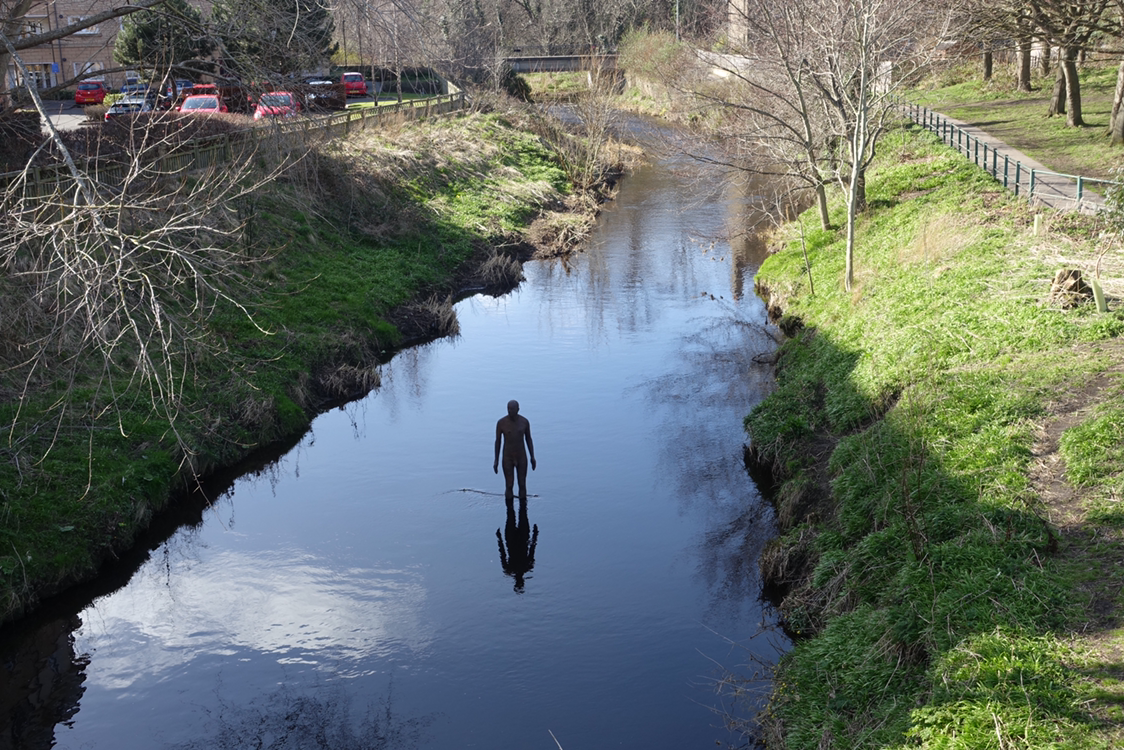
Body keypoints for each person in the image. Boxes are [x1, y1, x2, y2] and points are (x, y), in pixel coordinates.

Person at [493, 400, 536, 498]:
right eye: (508, 409)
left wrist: (532, 457)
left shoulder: (524, 422)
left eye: (512, 409)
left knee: (522, 484)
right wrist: (496, 460)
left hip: (521, 457)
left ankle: (524, 510)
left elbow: (529, 439)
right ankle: (509, 510)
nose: (509, 411)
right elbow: (498, 442)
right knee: (509, 485)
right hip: (508, 457)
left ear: (518, 410)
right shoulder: (501, 423)